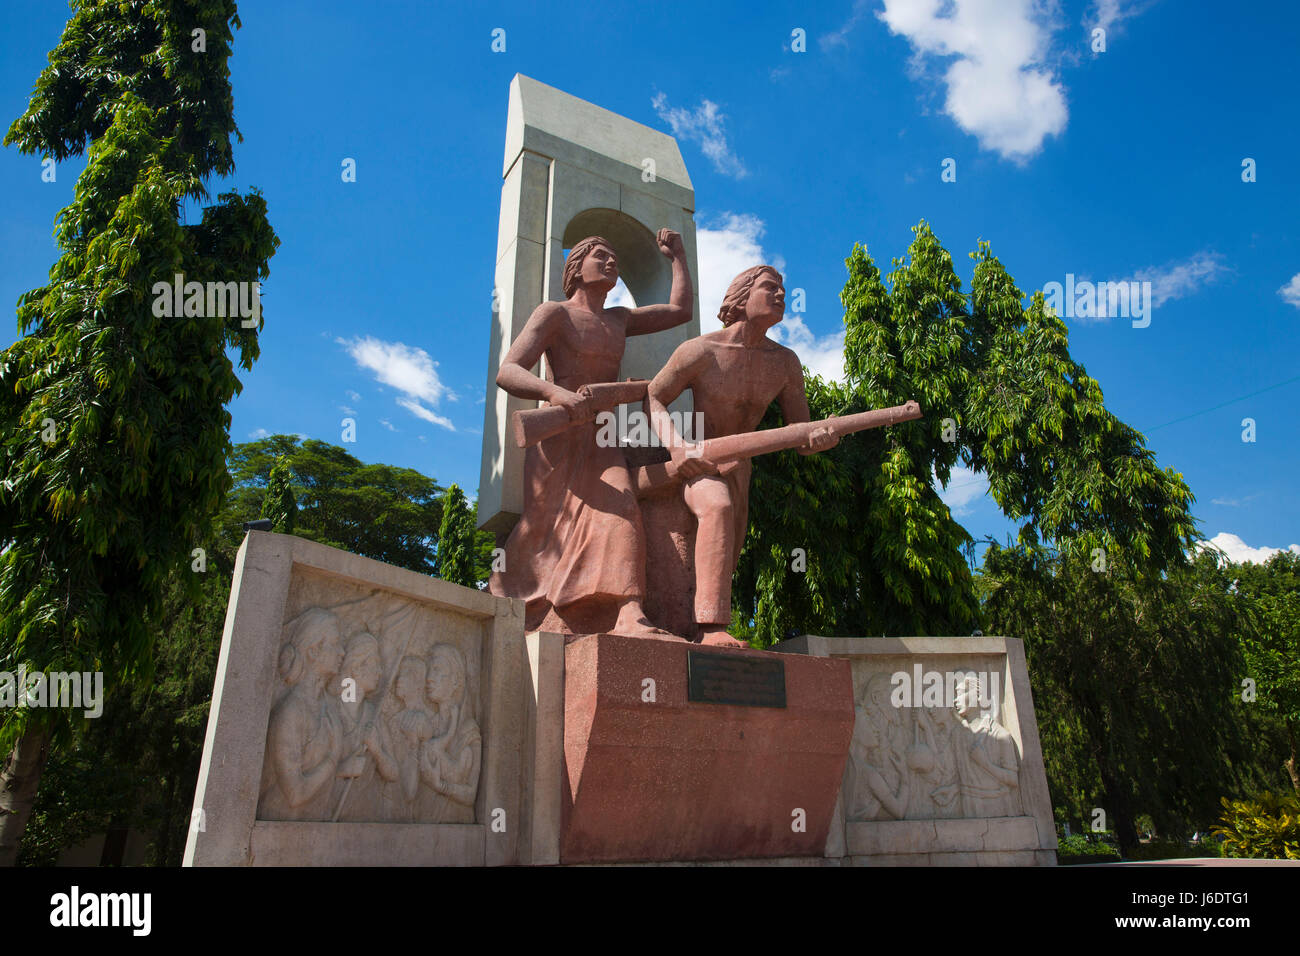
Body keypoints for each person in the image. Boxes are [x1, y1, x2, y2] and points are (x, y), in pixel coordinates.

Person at [490, 230, 694, 637]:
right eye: (600, 256)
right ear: (576, 268)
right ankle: (522, 593)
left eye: (615, 258)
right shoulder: (554, 313)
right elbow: (508, 370)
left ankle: (629, 610)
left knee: (622, 507)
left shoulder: (619, 319)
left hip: (601, 435)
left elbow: (678, 310)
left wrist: (678, 259)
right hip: (558, 438)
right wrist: (556, 393)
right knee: (545, 527)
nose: (610, 262)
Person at [647, 266, 837, 645]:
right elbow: (653, 396)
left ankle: (698, 620)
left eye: (784, 288)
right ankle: (712, 629)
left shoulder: (785, 363)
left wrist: (824, 438)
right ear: (741, 295)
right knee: (716, 508)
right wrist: (677, 447)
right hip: (699, 463)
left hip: (741, 469)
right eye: (770, 287)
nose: (781, 294)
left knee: (728, 553)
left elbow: (801, 436)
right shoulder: (701, 350)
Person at [260, 608, 346, 820]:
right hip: (280, 826)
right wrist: (332, 761)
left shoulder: (329, 707)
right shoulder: (291, 712)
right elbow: (295, 795)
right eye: (335, 644)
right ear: (313, 651)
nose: (342, 652)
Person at [419, 643, 481, 820]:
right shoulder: (428, 723)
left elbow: (470, 794)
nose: (429, 678)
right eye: (429, 671)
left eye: (437, 670)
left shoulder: (469, 731)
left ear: (455, 681)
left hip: (455, 823)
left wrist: (441, 786)